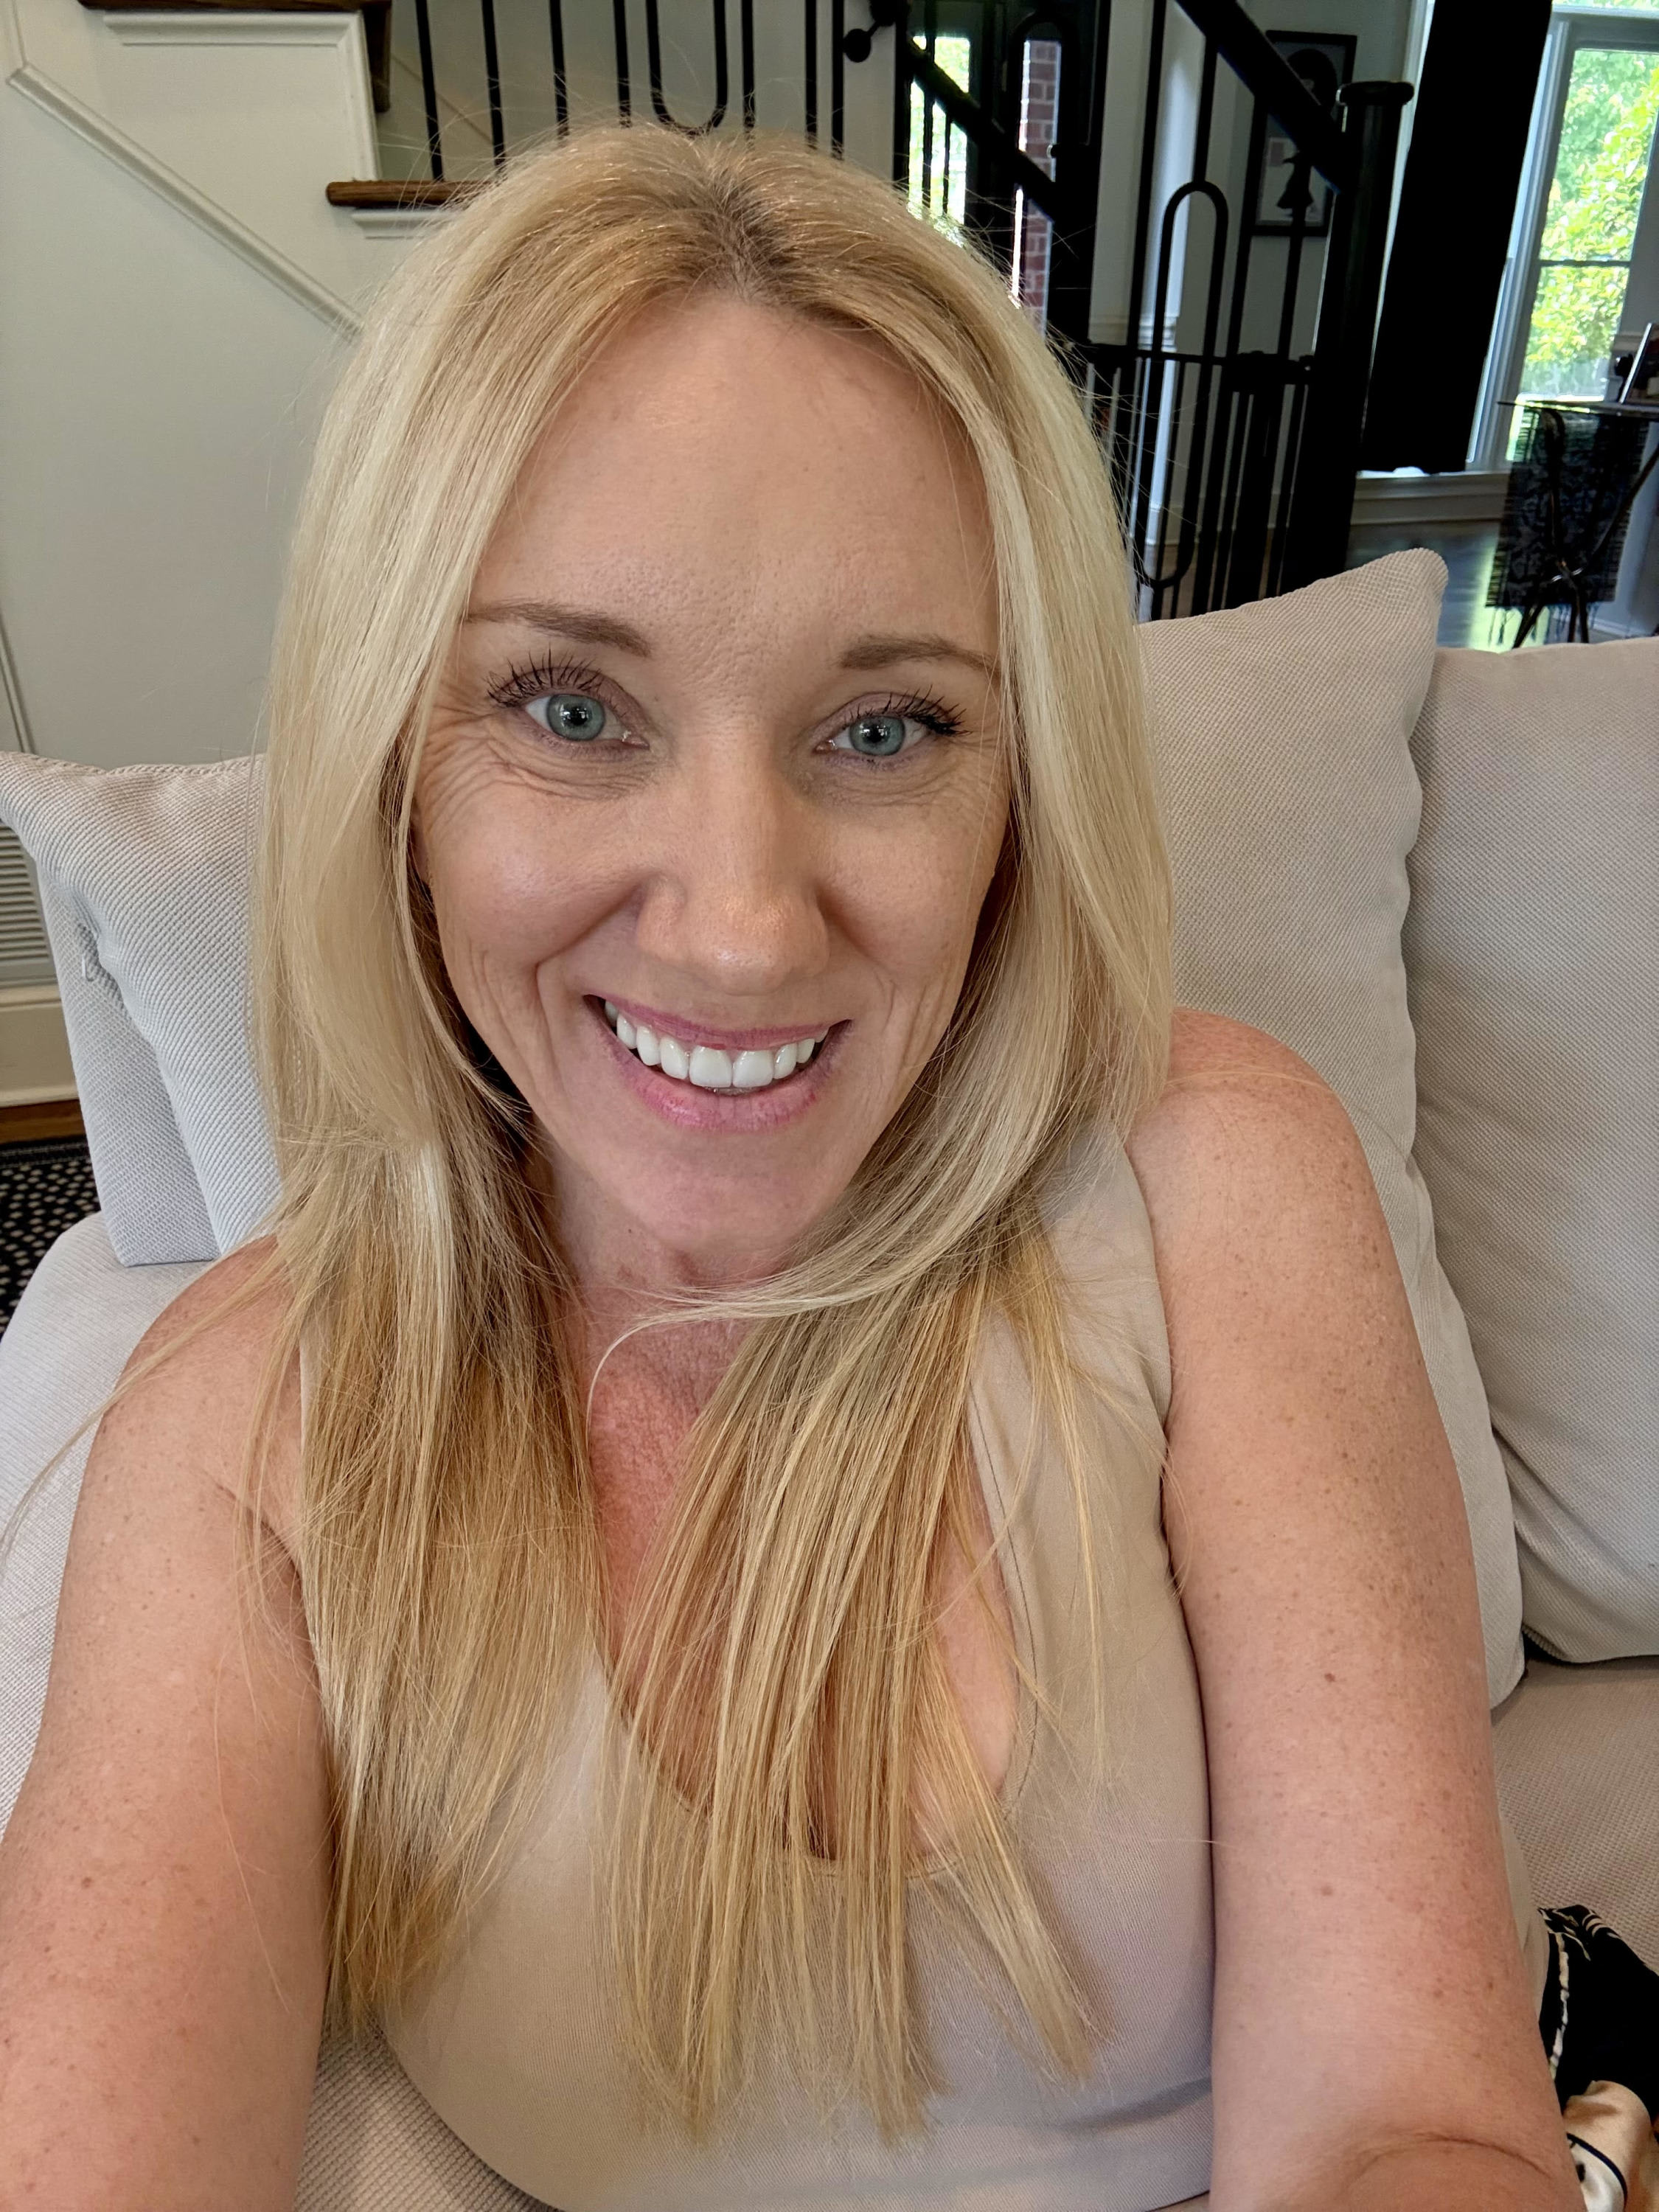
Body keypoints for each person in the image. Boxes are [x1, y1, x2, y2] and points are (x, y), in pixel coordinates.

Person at [0, 124, 1601, 2212]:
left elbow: (1405, 2127)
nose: (745, 932)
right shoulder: (247, 1424)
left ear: (1019, 790)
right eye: (572, 709)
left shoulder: (1211, 1184)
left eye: (885, 729)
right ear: (396, 769)